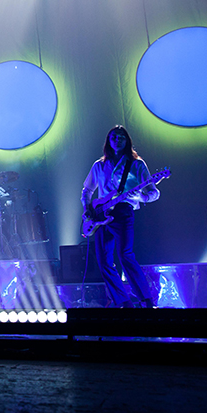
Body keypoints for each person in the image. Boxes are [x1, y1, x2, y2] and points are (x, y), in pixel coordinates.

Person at [81, 126, 160, 308]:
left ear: (127, 140)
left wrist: (141, 196)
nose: (118, 139)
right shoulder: (99, 165)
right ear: (108, 140)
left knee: (125, 255)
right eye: (114, 136)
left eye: (122, 137)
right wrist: (87, 208)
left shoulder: (137, 164)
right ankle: (124, 303)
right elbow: (87, 190)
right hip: (100, 215)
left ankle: (146, 301)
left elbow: (154, 192)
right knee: (104, 262)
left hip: (123, 212)